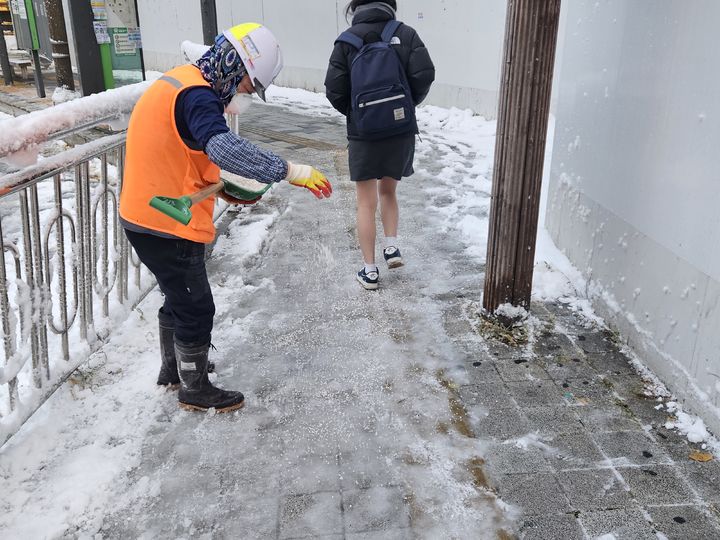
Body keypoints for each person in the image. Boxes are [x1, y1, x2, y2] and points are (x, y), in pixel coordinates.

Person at [119, 23, 332, 413]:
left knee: (177, 296)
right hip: (165, 223)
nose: (245, 96)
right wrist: (289, 170)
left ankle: (175, 369)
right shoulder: (198, 96)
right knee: (196, 306)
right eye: (249, 87)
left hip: (147, 212)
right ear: (236, 67)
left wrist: (227, 188)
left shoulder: (185, 80)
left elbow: (186, 152)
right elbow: (222, 147)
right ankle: (195, 388)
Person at [325, 0, 434, 290]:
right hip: (399, 132)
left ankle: (370, 271)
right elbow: (425, 74)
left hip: (364, 135)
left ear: (355, 7)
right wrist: (406, 105)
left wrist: (359, 114)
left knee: (365, 202)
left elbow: (334, 90)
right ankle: (392, 246)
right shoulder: (405, 33)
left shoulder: (346, 42)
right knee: (389, 191)